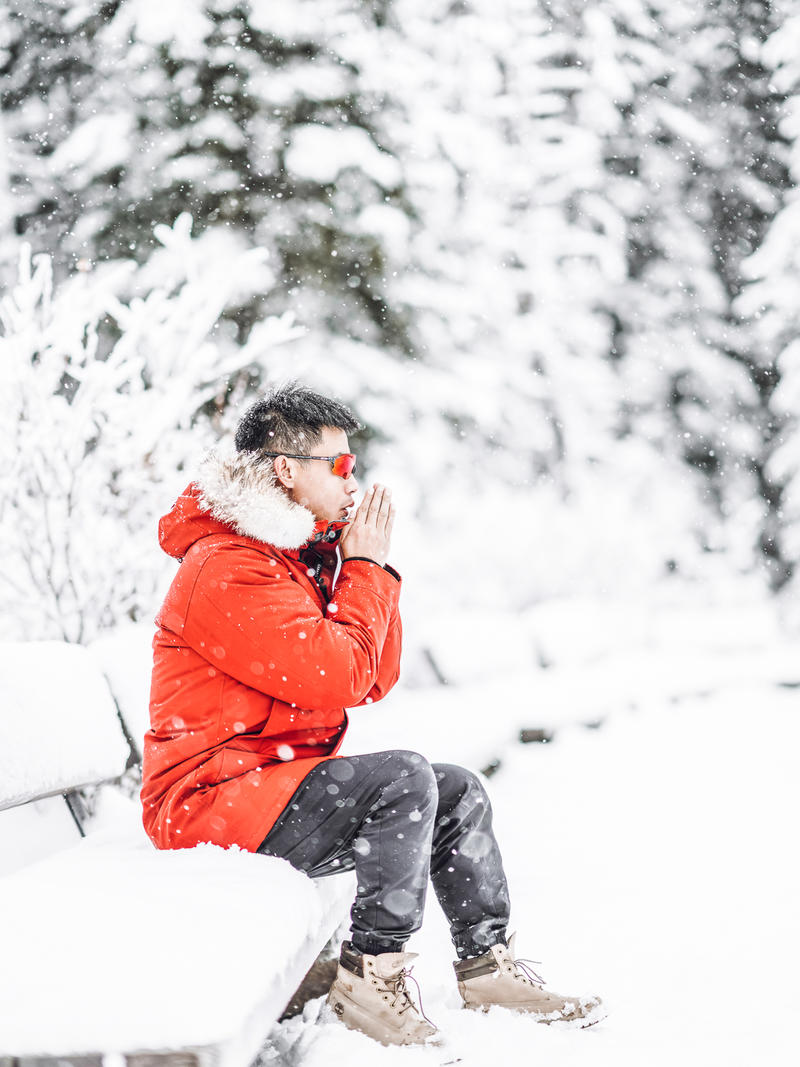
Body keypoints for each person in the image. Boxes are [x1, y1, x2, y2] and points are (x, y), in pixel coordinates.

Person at [141, 383, 602, 1046]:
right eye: (340, 466)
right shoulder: (229, 568)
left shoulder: (293, 559)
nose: (353, 480)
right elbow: (343, 674)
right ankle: (369, 976)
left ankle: (487, 964)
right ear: (286, 470)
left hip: (265, 784)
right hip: (204, 800)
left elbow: (373, 677)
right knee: (402, 779)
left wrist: (361, 566)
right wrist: (362, 566)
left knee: (454, 790)